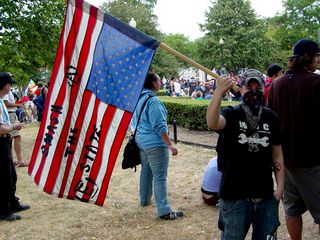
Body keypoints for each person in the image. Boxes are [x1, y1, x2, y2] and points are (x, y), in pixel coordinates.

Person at [206, 69, 284, 239]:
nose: (254, 91)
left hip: (265, 197)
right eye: (249, 87)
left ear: (264, 89)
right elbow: (213, 122)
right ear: (240, 90)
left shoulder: (271, 118)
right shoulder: (232, 114)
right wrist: (219, 92)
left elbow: (277, 154)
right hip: (234, 198)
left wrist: (280, 187)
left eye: (258, 87)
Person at [268, 38, 320, 240]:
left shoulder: (276, 85)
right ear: (307, 57)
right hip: (312, 160)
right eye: (316, 56)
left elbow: (270, 120)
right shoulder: (316, 83)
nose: (317, 60)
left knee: (292, 209)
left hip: (284, 160)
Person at [131, 72, 183, 220]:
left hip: (141, 141)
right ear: (154, 83)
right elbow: (159, 126)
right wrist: (170, 145)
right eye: (159, 81)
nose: (160, 83)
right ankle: (164, 211)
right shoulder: (153, 101)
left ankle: (144, 200)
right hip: (155, 144)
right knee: (160, 177)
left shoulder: (139, 98)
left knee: (146, 171)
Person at [0, 72, 30, 221]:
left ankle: (12, 202)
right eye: (9, 84)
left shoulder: (0, 101)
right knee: (5, 176)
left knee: (11, 174)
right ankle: (4, 210)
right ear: (5, 85)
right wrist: (14, 126)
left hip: (5, 140)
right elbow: (0, 128)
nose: (10, 87)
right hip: (1, 140)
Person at [2, 87, 28, 167]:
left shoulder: (7, 91)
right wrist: (19, 105)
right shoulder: (5, 91)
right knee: (16, 136)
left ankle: (12, 160)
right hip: (10, 114)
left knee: (10, 137)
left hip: (11, 114)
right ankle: (20, 160)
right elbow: (5, 103)